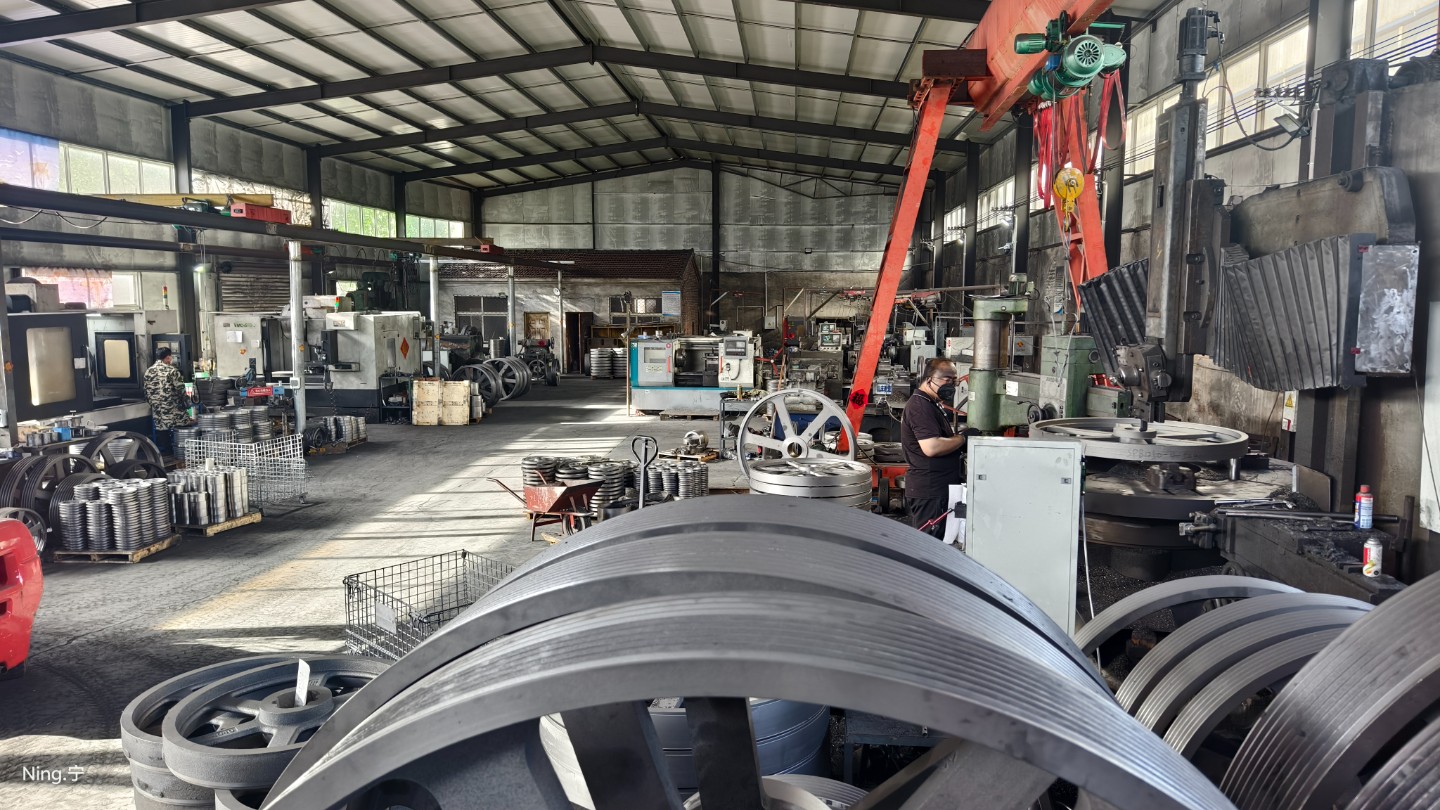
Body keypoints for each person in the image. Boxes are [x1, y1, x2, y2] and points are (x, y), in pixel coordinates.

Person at [901, 358, 968, 540]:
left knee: (938, 544)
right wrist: (962, 439)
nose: (951, 386)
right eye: (947, 380)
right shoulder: (920, 407)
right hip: (930, 491)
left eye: (954, 381)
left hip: (938, 489)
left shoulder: (930, 403)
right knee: (927, 546)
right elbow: (931, 447)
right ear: (929, 379)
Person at [144, 348, 192, 438]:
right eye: (171, 356)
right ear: (168, 357)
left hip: (157, 412)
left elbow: (146, 393)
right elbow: (181, 390)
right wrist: (187, 402)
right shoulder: (172, 370)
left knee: (162, 434)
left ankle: (164, 447)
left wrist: (154, 404)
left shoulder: (148, 371)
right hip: (174, 411)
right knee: (183, 433)